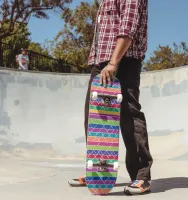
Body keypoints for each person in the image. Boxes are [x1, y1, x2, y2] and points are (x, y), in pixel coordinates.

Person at [69, 0, 153, 195]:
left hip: (123, 60)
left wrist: (114, 63)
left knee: (129, 116)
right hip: (101, 62)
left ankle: (141, 176)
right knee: (94, 119)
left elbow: (128, 27)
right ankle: (97, 173)